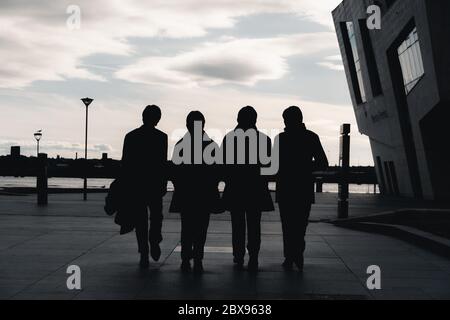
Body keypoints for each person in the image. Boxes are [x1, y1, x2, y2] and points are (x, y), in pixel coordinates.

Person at [274, 106, 328, 272]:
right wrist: (305, 167)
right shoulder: (311, 137)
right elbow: (322, 163)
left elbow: (273, 164)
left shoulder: (281, 139)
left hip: (285, 187)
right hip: (303, 188)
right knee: (300, 225)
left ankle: (290, 256)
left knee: (287, 225)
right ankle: (297, 253)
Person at [221, 106, 274, 272]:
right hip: (256, 189)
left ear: (238, 119)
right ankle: (254, 256)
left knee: (237, 225)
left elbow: (223, 166)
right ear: (255, 120)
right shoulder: (264, 140)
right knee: (254, 224)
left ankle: (238, 255)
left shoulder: (229, 138)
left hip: (236, 188)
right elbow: (269, 166)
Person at [169, 111, 223, 273]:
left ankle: (186, 257)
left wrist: (180, 187)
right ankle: (198, 256)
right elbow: (217, 171)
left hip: (186, 194)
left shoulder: (180, 145)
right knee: (201, 227)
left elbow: (175, 172)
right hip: (204, 193)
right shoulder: (211, 145)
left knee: (187, 226)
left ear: (187, 125)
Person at [121, 105, 168, 269]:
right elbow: (162, 164)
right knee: (156, 217)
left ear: (143, 117)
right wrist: (163, 184)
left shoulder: (131, 137)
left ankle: (144, 252)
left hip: (137, 185)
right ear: (158, 119)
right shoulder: (162, 137)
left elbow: (125, 164)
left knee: (141, 221)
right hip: (154, 185)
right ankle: (154, 240)